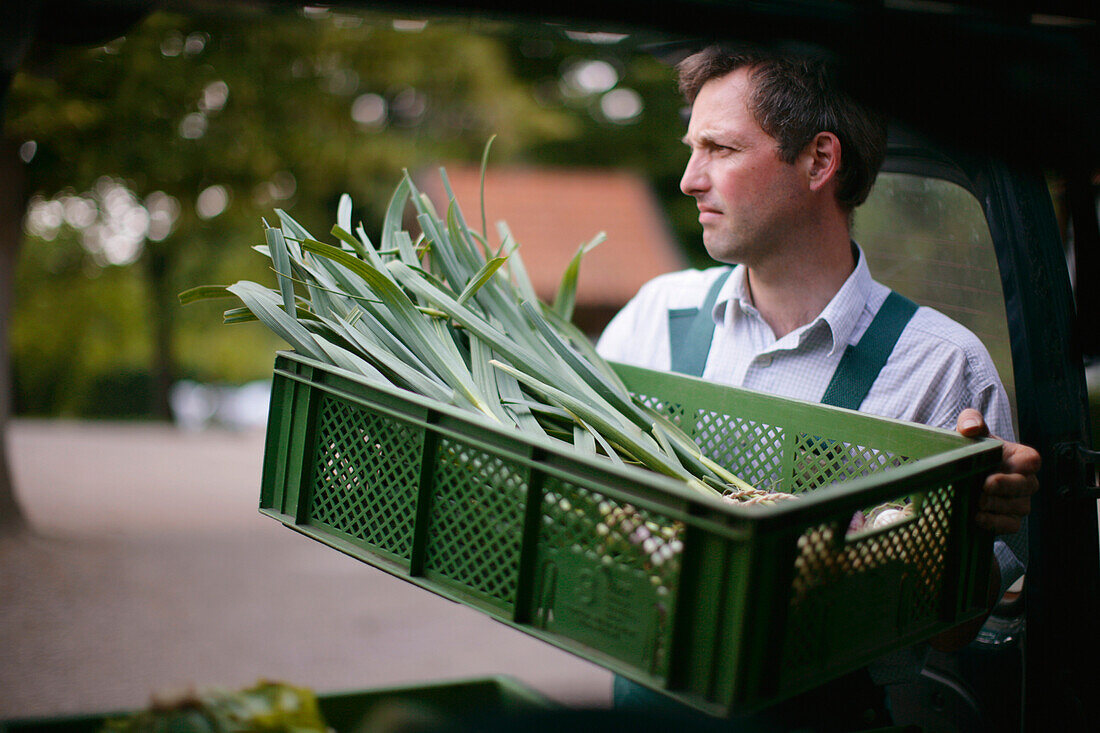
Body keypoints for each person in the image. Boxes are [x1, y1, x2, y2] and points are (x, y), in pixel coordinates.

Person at [596, 45, 1041, 730]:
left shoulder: (942, 367)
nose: (689, 178)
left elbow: (954, 632)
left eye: (719, 148)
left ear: (819, 161)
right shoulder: (654, 317)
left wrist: (973, 530)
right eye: (693, 147)